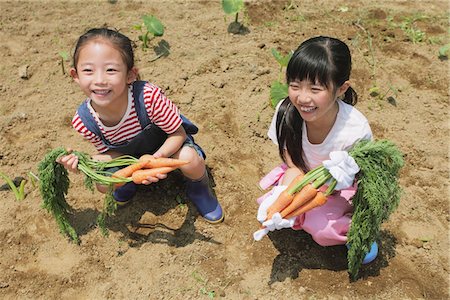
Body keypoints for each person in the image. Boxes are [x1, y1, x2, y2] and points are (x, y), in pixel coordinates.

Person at [57, 28, 223, 224]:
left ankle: (199, 188)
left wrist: (154, 159)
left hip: (169, 148)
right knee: (102, 182)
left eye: (110, 70)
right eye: (88, 71)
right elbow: (110, 154)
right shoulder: (83, 121)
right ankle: (127, 184)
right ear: (75, 75)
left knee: (191, 160)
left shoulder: (148, 97)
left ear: (130, 75)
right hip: (132, 160)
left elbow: (177, 133)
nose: (99, 80)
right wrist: (85, 162)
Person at [257, 36, 377, 263]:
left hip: (337, 188)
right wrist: (291, 193)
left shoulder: (354, 130)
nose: (302, 98)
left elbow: (357, 177)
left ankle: (357, 229)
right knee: (274, 209)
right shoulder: (286, 112)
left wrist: (314, 196)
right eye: (294, 86)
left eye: (315, 89)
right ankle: (304, 214)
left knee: (322, 232)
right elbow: (290, 161)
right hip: (301, 175)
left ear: (341, 88)